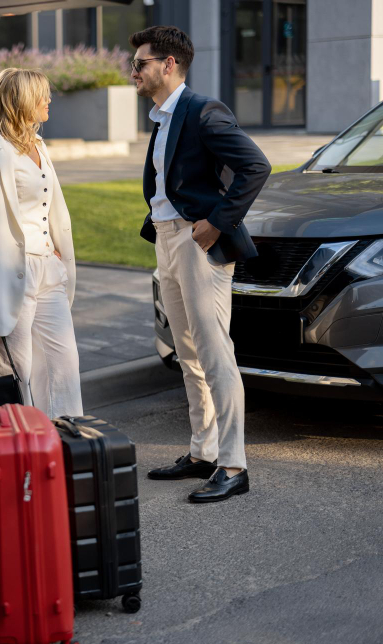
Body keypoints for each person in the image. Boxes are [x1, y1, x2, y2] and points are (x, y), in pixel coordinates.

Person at [130, 26, 270, 503]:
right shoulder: (161, 118)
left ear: (168, 65)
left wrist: (217, 222)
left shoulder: (204, 110)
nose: (134, 71)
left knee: (214, 353)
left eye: (141, 63)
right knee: (187, 352)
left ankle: (233, 465)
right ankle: (203, 452)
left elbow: (256, 166)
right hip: (167, 240)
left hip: (198, 242)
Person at [0, 68, 83, 421]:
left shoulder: (40, 146)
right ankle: (17, 444)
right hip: (8, 276)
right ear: (22, 101)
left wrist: (53, 248)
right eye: (42, 94)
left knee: (64, 364)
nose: (49, 100)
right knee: (14, 371)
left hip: (48, 270)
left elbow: (49, 207)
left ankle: (67, 441)